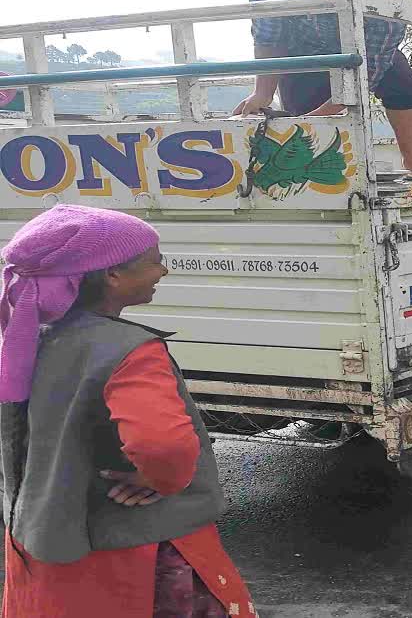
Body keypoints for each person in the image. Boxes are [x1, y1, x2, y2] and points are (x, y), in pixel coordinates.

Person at [0, 205, 254, 617]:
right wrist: (159, 478)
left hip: (43, 539)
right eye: (154, 262)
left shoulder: (28, 338)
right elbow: (162, 445)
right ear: (112, 276)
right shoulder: (129, 351)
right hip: (135, 552)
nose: (163, 271)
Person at [234, 0, 412, 182]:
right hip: (301, 54)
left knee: (403, 83)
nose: (328, 2)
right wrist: (262, 93)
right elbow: (270, 41)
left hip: (359, 51)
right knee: (302, 117)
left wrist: (317, 116)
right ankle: (311, 174)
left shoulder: (387, 7)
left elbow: (366, 75)